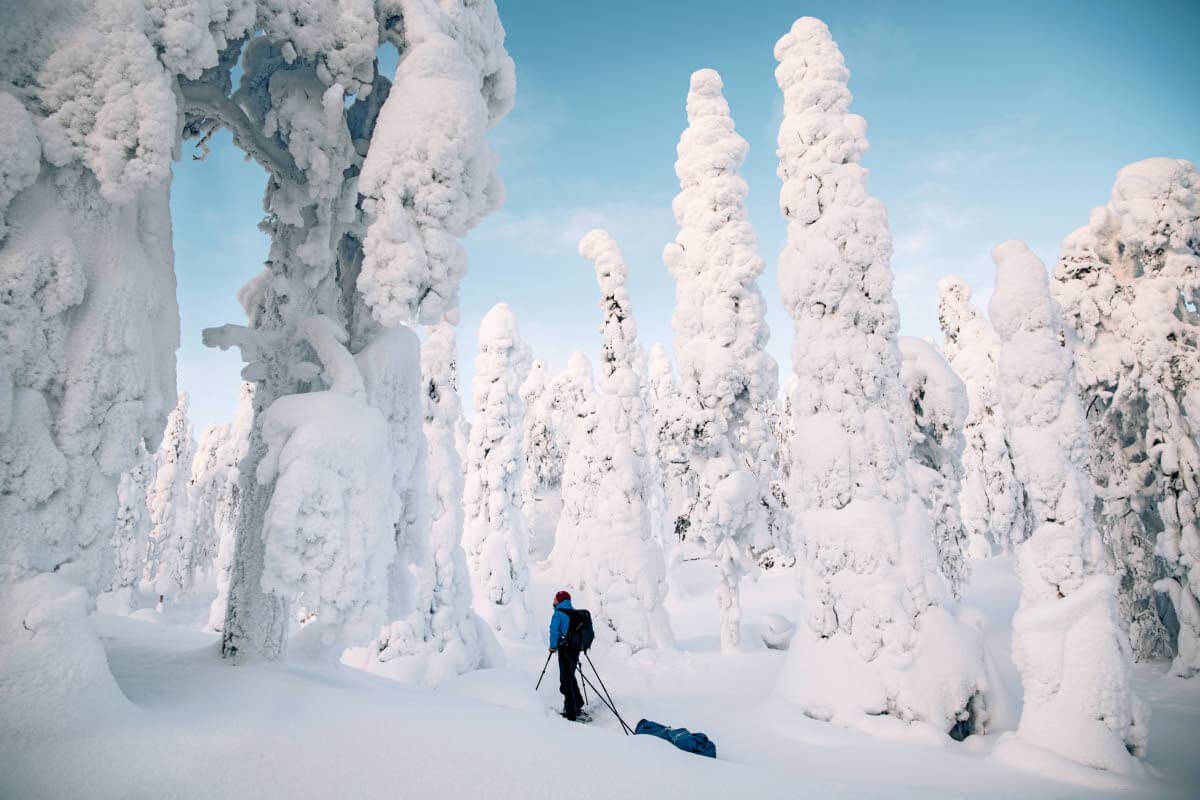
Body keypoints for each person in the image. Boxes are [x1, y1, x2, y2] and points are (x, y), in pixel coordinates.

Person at [548, 590, 585, 720]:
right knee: (570, 677)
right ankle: (578, 703)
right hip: (575, 650)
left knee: (566, 680)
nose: (554, 600)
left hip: (564, 650)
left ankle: (571, 712)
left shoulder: (558, 614)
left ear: (560, 600)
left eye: (555, 598)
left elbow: (553, 631)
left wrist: (552, 647)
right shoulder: (574, 612)